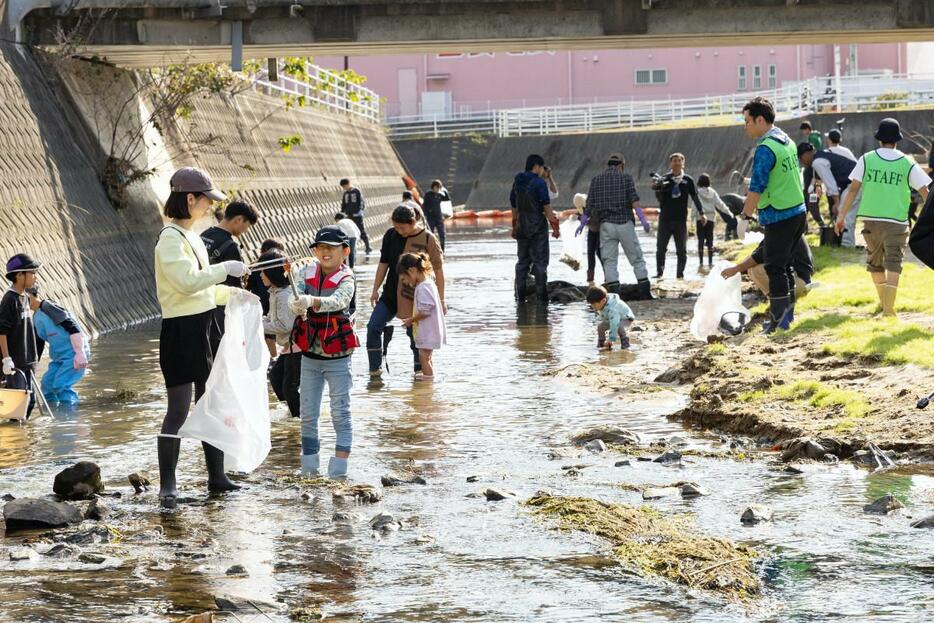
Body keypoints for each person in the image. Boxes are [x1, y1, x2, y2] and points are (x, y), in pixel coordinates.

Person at [155, 167, 249, 508]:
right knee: (178, 408)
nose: (210, 206)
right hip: (180, 330)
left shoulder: (191, 236)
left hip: (203, 326)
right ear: (190, 198)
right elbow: (186, 282)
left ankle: (217, 476)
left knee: (210, 402)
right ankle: (168, 485)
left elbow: (203, 290)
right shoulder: (169, 239)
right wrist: (226, 269)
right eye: (207, 199)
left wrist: (234, 295)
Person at [835, 117, 931, 317]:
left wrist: (841, 216)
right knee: (894, 263)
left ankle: (885, 305)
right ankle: (888, 309)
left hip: (871, 220)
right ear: (897, 140)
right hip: (896, 221)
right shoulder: (907, 162)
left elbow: (852, 190)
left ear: (879, 138)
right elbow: (926, 193)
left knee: (875, 264)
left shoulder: (867, 159)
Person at [289, 226, 357, 477]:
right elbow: (294, 293)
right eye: (320, 247)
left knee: (340, 412)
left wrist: (312, 301)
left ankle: (339, 472)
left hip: (338, 358)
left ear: (345, 251)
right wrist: (295, 303)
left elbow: (339, 301)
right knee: (308, 414)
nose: (324, 252)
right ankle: (309, 469)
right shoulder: (305, 272)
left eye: (331, 247)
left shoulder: (347, 278)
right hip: (310, 356)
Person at [741, 97, 808, 333]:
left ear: (760, 119)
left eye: (747, 121)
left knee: (775, 268)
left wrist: (745, 217)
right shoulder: (785, 139)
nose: (745, 126)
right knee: (785, 266)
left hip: (780, 215)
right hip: (797, 211)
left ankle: (779, 321)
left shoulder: (765, 148)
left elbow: (757, 186)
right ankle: (786, 318)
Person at [368, 205, 445, 378]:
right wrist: (375, 290)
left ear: (412, 222)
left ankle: (420, 374)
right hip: (390, 294)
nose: (398, 230)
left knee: (415, 337)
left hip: (413, 298)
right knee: (373, 326)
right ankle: (375, 370)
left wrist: (441, 300)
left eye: (401, 227)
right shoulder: (390, 235)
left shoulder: (427, 238)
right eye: (395, 226)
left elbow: (439, 271)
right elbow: (383, 264)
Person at [584, 154, 652, 298]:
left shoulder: (596, 180)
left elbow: (589, 205)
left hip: (606, 225)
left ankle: (615, 296)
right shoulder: (626, 178)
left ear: (608, 165)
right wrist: (643, 220)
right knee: (636, 259)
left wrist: (583, 223)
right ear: (621, 165)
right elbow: (634, 201)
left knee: (609, 261)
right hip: (624, 223)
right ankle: (645, 294)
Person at [201, 200, 259, 353]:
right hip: (219, 309)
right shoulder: (230, 246)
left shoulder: (205, 234)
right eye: (246, 226)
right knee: (217, 352)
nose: (245, 231)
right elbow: (236, 287)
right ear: (238, 219)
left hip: (199, 302)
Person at [510, 154, 560, 303]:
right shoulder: (539, 183)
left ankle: (520, 298)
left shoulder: (518, 179)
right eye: (541, 168)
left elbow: (513, 202)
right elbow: (546, 206)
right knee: (540, 263)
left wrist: (515, 224)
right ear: (537, 166)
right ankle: (542, 299)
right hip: (537, 224)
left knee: (522, 262)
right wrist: (555, 227)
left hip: (521, 224)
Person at [28, 290, 90, 405]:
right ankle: (55, 416)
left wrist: (80, 352)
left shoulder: (48, 306)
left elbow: (71, 326)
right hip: (58, 357)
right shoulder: (35, 318)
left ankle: (70, 417)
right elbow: (38, 345)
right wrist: (33, 366)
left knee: (61, 385)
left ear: (30, 295)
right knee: (47, 386)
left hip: (74, 354)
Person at [258, 250, 300, 418]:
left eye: (263, 271)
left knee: (289, 386)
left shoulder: (284, 295)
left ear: (272, 272)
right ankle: (292, 409)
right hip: (289, 346)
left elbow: (285, 325)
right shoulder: (275, 293)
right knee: (276, 377)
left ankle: (299, 416)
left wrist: (258, 326)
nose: (261, 275)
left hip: (297, 346)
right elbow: (272, 318)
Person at [0, 253, 42, 419]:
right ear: (19, 275)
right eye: (32, 272)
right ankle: (15, 440)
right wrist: (6, 359)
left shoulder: (25, 297)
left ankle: (23, 440)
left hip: (27, 361)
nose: (35, 277)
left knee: (30, 402)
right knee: (17, 409)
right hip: (15, 363)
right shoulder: (10, 300)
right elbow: (1, 331)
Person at [652, 153, 706, 279]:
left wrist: (702, 213)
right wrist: (658, 189)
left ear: (683, 163)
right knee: (660, 249)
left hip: (680, 220)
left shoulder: (688, 180)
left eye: (679, 161)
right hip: (665, 219)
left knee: (681, 250)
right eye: (674, 161)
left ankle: (680, 275)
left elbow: (695, 197)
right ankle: (659, 274)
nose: (676, 163)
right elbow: (660, 200)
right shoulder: (664, 179)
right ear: (670, 163)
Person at [797, 142, 859, 246]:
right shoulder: (822, 155)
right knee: (843, 213)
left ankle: (846, 245)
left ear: (807, 154)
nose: (801, 162)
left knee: (845, 214)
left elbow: (831, 184)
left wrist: (837, 203)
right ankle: (846, 244)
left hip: (855, 184)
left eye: (801, 158)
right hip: (852, 183)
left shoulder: (817, 162)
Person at [398, 252, 446, 380]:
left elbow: (425, 311)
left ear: (412, 270)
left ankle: (428, 383)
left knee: (423, 357)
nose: (407, 282)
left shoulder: (423, 287)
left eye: (405, 278)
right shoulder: (428, 282)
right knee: (427, 357)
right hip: (432, 329)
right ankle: (428, 378)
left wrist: (411, 320)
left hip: (429, 330)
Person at [722, 236, 815, 301]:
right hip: (800, 279)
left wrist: (735, 269)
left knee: (755, 270)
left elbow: (760, 256)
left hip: (800, 282)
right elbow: (757, 252)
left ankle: (779, 300)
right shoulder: (783, 224)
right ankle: (778, 300)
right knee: (750, 267)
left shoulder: (783, 229)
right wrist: (737, 267)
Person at [695, 173, 730, 269]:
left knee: (700, 240)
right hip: (710, 219)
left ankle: (701, 263)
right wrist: (729, 212)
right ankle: (710, 263)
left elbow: (695, 206)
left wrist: (693, 216)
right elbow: (720, 204)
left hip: (700, 218)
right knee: (710, 240)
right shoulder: (713, 192)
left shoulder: (697, 192)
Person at [585, 285, 635, 350]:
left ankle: (625, 343)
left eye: (594, 305)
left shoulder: (613, 308)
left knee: (619, 326)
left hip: (626, 318)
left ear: (603, 301)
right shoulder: (602, 301)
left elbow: (614, 323)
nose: (593, 307)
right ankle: (601, 344)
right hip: (612, 318)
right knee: (600, 327)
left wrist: (611, 339)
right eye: (591, 304)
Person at [246, 238, 285, 316]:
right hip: (261, 312)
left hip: (277, 311)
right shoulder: (254, 268)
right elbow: (246, 288)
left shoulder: (283, 267)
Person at [573, 192, 602, 285]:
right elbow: (583, 220)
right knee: (590, 252)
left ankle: (608, 274)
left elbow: (595, 220)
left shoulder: (595, 207)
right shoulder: (581, 211)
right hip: (592, 231)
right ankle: (590, 277)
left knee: (599, 252)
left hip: (600, 231)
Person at [340, 178, 371, 254]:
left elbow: (361, 202)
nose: (344, 188)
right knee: (348, 232)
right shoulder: (345, 194)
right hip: (348, 215)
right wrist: (342, 213)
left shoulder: (356, 191)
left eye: (344, 186)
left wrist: (360, 211)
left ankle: (368, 246)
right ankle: (350, 248)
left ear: (348, 184)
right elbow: (343, 204)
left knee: (361, 230)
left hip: (357, 215)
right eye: (343, 187)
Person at [421, 180, 450, 251]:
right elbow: (424, 206)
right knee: (430, 235)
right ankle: (430, 250)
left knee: (442, 235)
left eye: (439, 188)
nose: (438, 189)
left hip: (439, 218)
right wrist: (425, 215)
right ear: (433, 187)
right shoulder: (428, 194)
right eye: (437, 187)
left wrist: (443, 189)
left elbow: (447, 198)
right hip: (430, 218)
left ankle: (442, 250)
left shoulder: (439, 195)